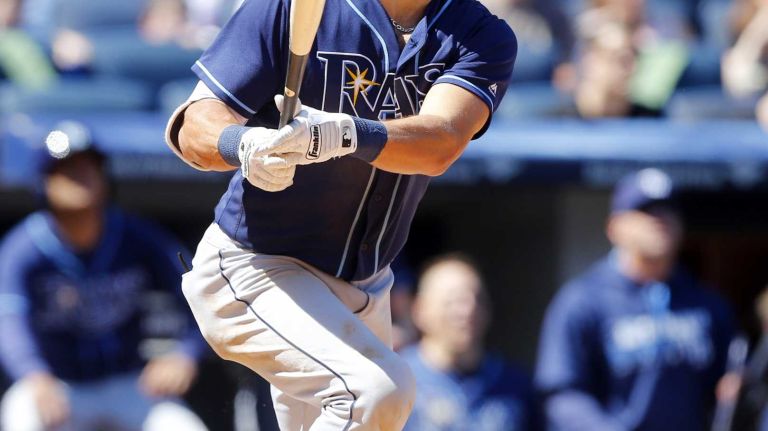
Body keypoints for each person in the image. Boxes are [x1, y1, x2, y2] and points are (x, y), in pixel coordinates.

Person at [163, 0, 517, 428]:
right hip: (256, 265)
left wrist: (346, 134)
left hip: (367, 285)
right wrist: (243, 144)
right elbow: (192, 127)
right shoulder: (290, 6)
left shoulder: (480, 34)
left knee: (369, 406)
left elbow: (441, 142)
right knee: (377, 392)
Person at [0, 122, 208, 431]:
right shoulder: (24, 248)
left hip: (131, 385)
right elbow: (8, 320)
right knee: (22, 414)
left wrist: (184, 353)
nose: (80, 176)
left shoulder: (136, 236)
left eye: (89, 166)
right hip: (57, 384)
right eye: (66, 168)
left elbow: (201, 295)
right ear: (43, 182)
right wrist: (34, 375)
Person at [535, 168, 735, 431]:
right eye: (645, 211)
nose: (660, 220)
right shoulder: (583, 300)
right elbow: (561, 394)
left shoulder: (706, 303)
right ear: (614, 227)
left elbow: (727, 385)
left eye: (667, 210)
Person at [401, 253, 538, 430]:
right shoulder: (398, 382)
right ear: (420, 310)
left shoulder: (515, 385)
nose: (467, 311)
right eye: (452, 301)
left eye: (477, 299)